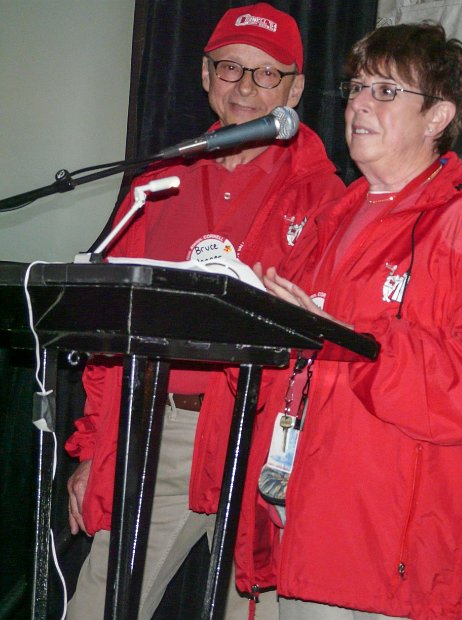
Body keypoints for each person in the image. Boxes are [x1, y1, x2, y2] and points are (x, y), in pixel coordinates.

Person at [244, 22, 462, 620]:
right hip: (305, 524)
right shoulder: (336, 215)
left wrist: (347, 341)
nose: (358, 104)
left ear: (438, 117)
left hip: (395, 559)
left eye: (385, 91)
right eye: (356, 87)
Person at [64, 4, 345, 618]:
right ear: (204, 74)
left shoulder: (324, 197)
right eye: (229, 68)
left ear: (295, 88)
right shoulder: (161, 180)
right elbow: (113, 327)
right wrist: (92, 450)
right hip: (160, 429)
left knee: (260, 608)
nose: (244, 88)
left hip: (259, 439)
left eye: (266, 74)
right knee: (97, 605)